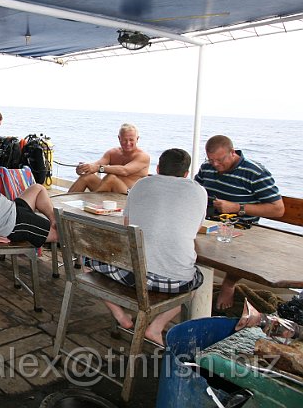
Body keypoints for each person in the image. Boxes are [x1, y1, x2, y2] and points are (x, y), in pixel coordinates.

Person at [85, 148, 207, 345]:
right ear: (186, 174)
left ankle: (120, 315)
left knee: (86, 263)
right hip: (174, 281)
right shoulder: (199, 190)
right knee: (197, 281)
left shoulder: (141, 185)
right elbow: (196, 228)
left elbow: (127, 226)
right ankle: (156, 327)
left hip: (131, 274)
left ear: (158, 168)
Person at [194, 135, 284, 310]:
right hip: (207, 223)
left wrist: (237, 207)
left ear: (232, 153)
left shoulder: (255, 173)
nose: (215, 165)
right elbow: (194, 190)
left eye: (220, 160)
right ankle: (189, 286)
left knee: (239, 248)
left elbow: (278, 209)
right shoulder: (207, 167)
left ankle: (228, 284)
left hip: (241, 228)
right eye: (211, 160)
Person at [68, 123, 150, 194]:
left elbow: (125, 171)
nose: (128, 143)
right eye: (125, 140)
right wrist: (84, 168)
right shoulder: (112, 152)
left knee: (111, 178)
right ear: (119, 138)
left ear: (137, 139)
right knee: (86, 176)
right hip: (108, 190)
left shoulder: (143, 156)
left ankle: (93, 206)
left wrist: (98, 168)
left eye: (131, 140)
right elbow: (96, 165)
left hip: (128, 195)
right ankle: (62, 207)